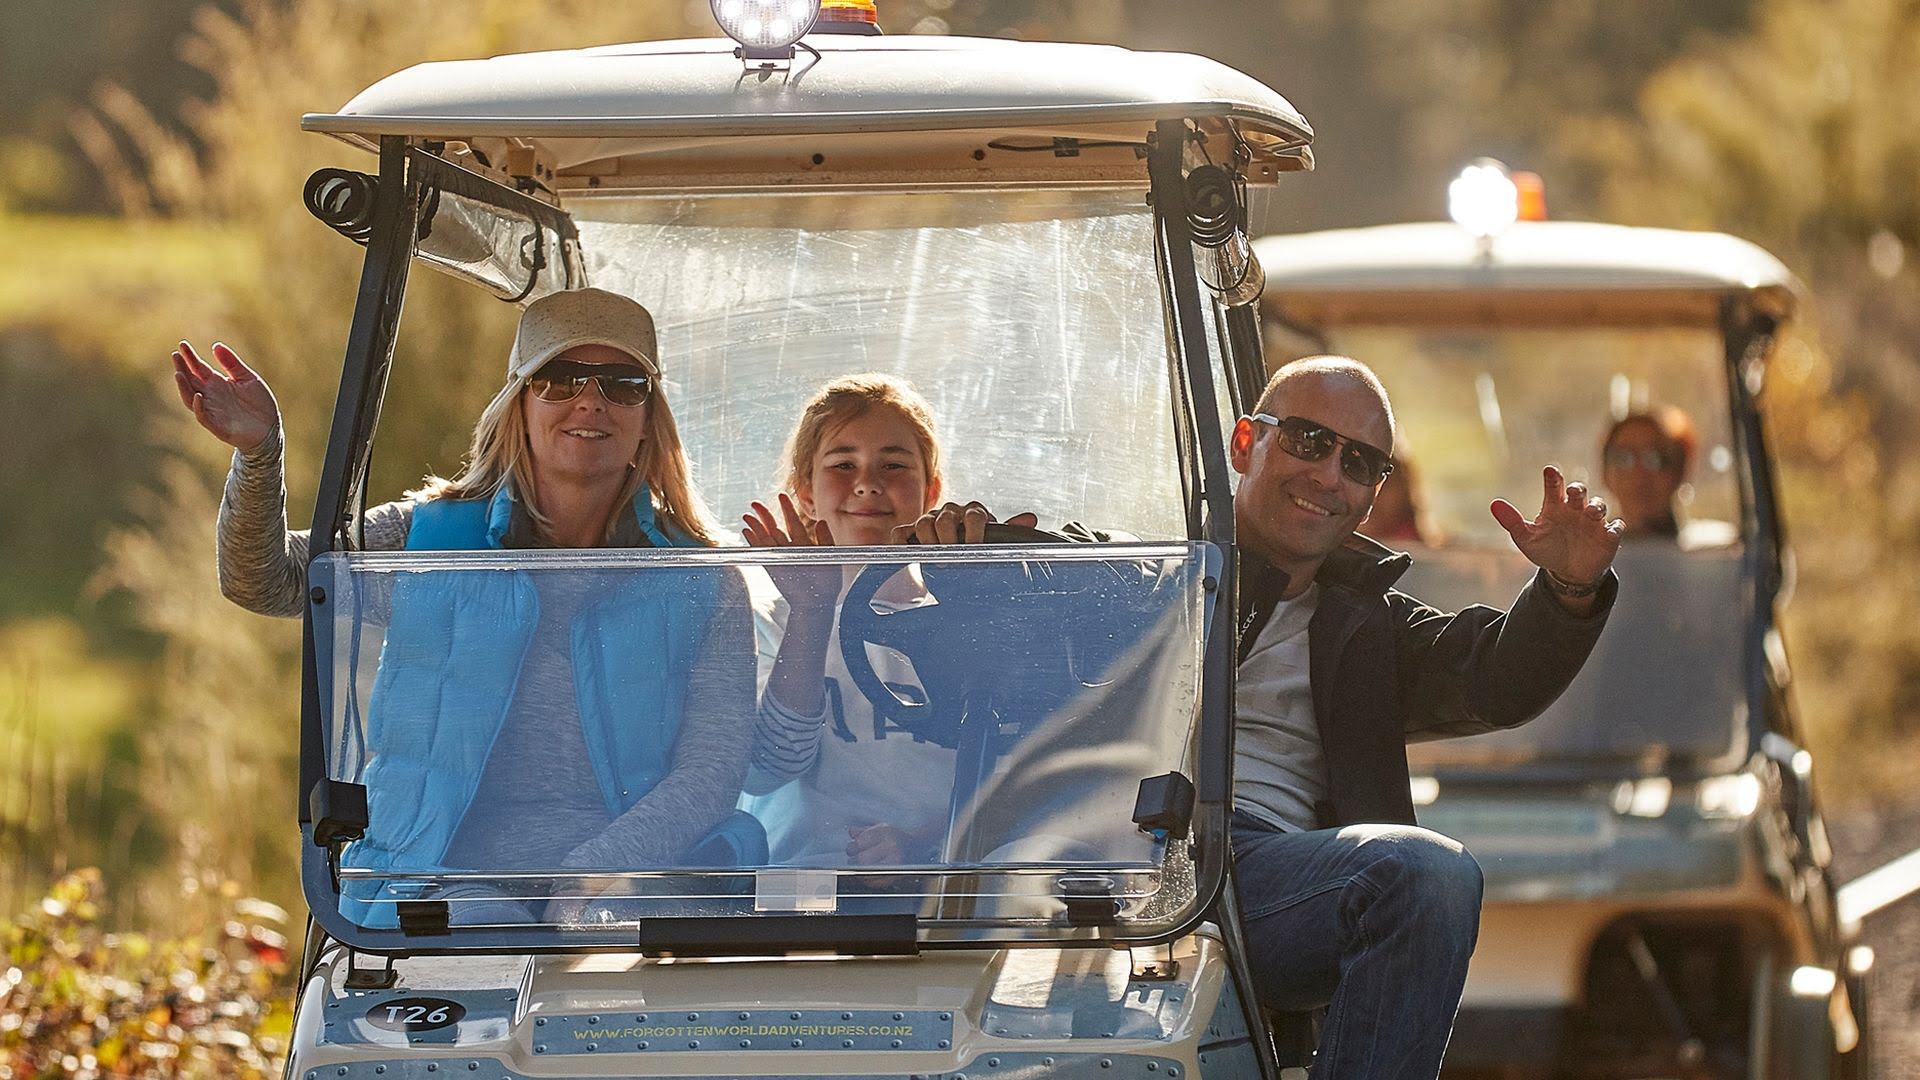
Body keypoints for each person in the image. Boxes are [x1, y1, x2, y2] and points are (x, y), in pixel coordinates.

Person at [171, 287, 757, 921]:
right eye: (560, 380)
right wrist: (260, 455)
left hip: (630, 885)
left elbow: (711, 775)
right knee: (477, 941)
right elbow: (267, 581)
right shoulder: (428, 539)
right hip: (442, 882)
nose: (590, 400)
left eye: (623, 384)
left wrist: (593, 875)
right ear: (519, 403)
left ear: (650, 415)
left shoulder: (703, 580)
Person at [1225, 356, 1621, 1079]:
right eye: (1310, 441)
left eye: (1361, 462)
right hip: (1118, 865)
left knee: (1427, 878)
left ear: (1373, 498)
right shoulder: (1142, 572)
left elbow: (1496, 678)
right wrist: (949, 564)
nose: (1329, 476)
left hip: (1271, 888)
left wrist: (1567, 587)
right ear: (1245, 443)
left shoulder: (1367, 625)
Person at [737, 374, 1038, 866]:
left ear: (932, 490)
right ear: (805, 494)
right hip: (797, 889)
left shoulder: (978, 620)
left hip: (952, 881)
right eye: (842, 464)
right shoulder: (768, 621)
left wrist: (924, 841)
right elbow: (762, 769)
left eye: (894, 464)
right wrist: (812, 614)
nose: (868, 483)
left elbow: (1027, 769)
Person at [1600, 406, 1697, 540]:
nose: (1638, 474)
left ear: (1680, 469)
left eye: (1655, 459)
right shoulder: (1590, 555)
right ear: (1605, 473)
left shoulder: (1711, 551)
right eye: (1623, 458)